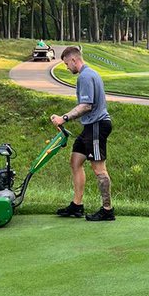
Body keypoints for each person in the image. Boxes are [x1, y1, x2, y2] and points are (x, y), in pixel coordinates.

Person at [51, 46, 115, 221]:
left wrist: (64, 118)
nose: (66, 68)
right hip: (89, 126)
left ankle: (107, 210)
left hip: (97, 125)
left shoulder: (85, 76)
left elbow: (86, 106)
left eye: (66, 64)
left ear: (73, 60)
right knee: (75, 161)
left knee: (98, 168)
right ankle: (77, 205)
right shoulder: (89, 74)